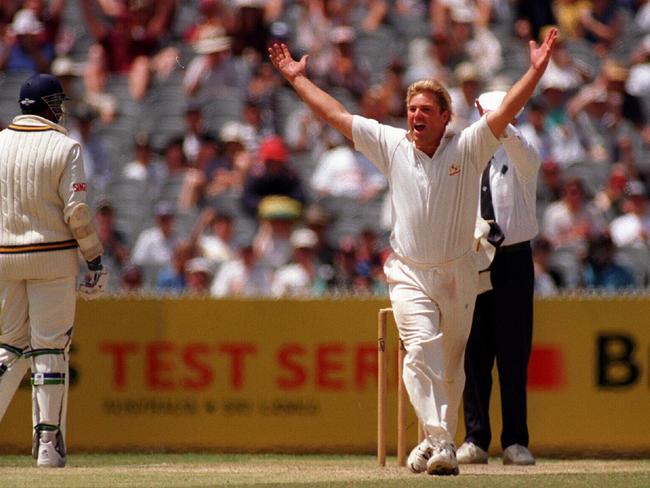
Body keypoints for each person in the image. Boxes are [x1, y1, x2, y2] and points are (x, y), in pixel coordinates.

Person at [268, 27, 558, 476]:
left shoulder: (469, 144)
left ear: (445, 117)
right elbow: (337, 115)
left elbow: (509, 112)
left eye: (426, 109)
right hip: (409, 271)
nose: (416, 115)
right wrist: (296, 79)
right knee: (420, 350)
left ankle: (428, 438)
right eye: (411, 109)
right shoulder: (392, 144)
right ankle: (442, 442)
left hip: (460, 271)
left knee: (452, 368)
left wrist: (536, 71)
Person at [0, 73, 107, 468]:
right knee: (49, 347)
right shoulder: (66, 147)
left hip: (5, 255)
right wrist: (93, 257)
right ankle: (47, 443)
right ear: (47, 105)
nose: (60, 108)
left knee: (9, 346)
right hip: (52, 255)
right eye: (56, 102)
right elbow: (76, 213)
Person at [456, 90, 541, 467]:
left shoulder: (522, 151)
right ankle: (475, 437)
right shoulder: (466, 155)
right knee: (473, 351)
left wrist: (501, 123)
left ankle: (515, 440)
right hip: (474, 259)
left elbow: (523, 153)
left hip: (514, 259)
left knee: (513, 352)